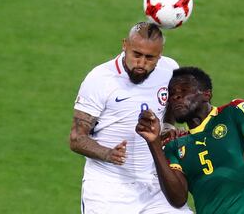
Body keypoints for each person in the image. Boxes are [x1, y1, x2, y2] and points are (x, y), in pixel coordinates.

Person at [69, 22, 192, 214]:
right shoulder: (100, 79)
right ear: (125, 45)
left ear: (160, 54)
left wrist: (167, 126)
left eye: (149, 58)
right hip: (108, 190)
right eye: (136, 54)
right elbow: (76, 138)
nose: (141, 63)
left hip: (154, 184)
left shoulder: (169, 69)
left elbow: (168, 104)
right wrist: (108, 154)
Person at [136, 66, 244, 214]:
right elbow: (178, 199)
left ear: (207, 94)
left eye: (184, 90)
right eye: (172, 94)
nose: (175, 97)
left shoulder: (234, 111)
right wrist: (154, 143)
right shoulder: (174, 145)